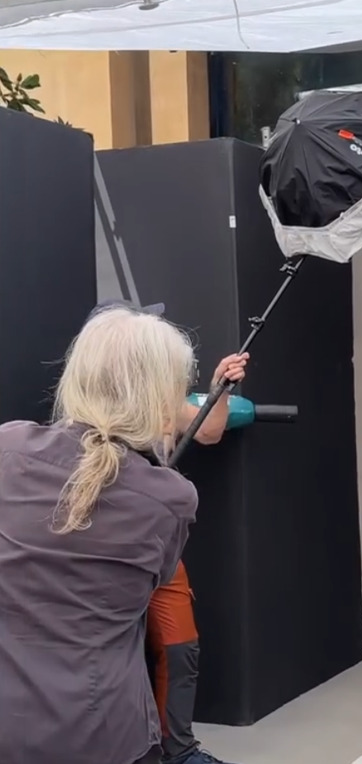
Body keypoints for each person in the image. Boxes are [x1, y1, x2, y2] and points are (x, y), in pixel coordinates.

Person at [0, 305, 198, 764]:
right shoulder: (171, 498)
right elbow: (153, 580)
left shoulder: (8, 450)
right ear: (159, 395)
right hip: (105, 735)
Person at [88, 300, 249, 764]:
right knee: (106, 652)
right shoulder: (83, 412)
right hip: (100, 548)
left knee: (180, 648)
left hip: (156, 546)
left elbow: (209, 431)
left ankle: (176, 749)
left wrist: (219, 389)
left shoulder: (166, 401)